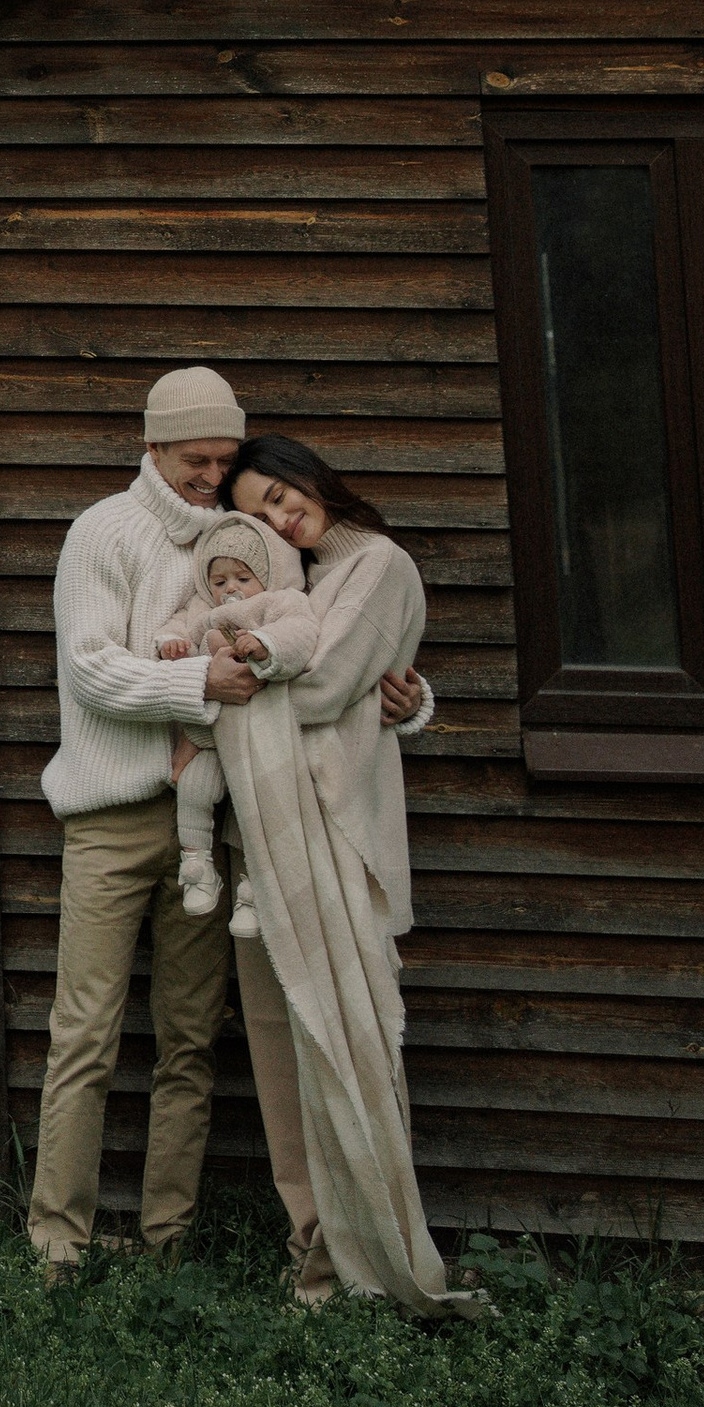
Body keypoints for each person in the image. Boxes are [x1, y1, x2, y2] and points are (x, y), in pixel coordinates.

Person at [27, 372, 429, 1288]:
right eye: (195, 459)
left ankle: (168, 1239)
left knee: (190, 1039)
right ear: (153, 447)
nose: (211, 476)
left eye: (224, 460)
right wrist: (197, 684)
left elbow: (318, 643)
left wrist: (406, 697)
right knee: (84, 1031)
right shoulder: (102, 533)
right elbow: (91, 671)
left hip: (219, 818)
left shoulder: (244, 533)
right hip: (112, 816)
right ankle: (56, 1243)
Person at [215, 434, 459, 1317]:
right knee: (288, 1048)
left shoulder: (381, 565)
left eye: (282, 494)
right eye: (259, 512)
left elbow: (320, 692)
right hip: (273, 836)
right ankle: (313, 1255)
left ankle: (371, 1249)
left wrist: (216, 681)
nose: (282, 517)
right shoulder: (304, 584)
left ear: (313, 477)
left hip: (336, 837)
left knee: (350, 1033)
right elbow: (328, 682)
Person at [157, 512, 313, 932]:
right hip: (208, 731)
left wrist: (265, 643)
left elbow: (300, 634)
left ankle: (255, 889)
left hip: (256, 734)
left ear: (266, 573)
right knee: (195, 787)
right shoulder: (202, 610)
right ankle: (198, 867)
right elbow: (178, 627)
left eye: (242, 578)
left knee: (255, 803)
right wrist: (171, 641)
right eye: (220, 580)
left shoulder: (280, 602)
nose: (230, 589)